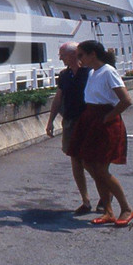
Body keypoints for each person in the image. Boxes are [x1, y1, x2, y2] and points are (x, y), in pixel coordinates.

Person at [67, 40, 133, 228]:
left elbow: (126, 100)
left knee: (101, 169)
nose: (78, 59)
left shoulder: (108, 72)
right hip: (91, 119)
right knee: (89, 163)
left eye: (81, 55)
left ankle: (126, 208)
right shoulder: (93, 73)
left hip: (104, 121)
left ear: (92, 54)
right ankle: (108, 211)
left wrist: (108, 117)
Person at [45, 41, 99, 214]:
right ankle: (86, 200)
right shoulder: (64, 75)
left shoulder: (90, 73)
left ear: (73, 55)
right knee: (75, 161)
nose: (60, 57)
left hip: (88, 122)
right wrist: (50, 121)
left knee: (91, 161)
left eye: (62, 54)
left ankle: (107, 195)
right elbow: (58, 99)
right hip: (70, 122)